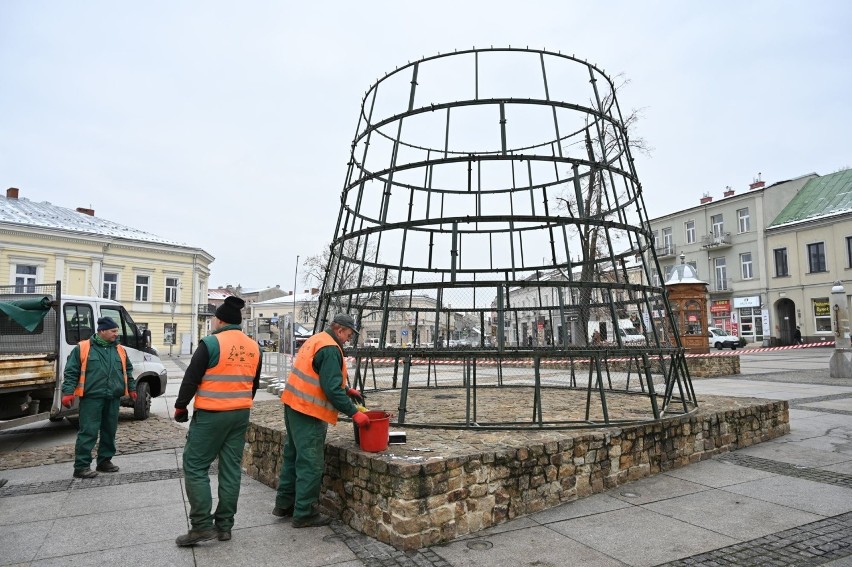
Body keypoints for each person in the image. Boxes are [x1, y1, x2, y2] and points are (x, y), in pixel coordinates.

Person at [172, 296, 262, 546]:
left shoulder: (211, 343)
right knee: (231, 469)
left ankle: (201, 526)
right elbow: (253, 385)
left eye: (214, 318)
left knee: (195, 465)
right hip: (240, 414)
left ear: (221, 320)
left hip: (212, 415)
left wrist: (180, 407)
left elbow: (191, 378)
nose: (212, 321)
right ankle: (224, 527)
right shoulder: (255, 347)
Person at [273, 313, 370, 528]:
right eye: (348, 334)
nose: (348, 338)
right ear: (339, 330)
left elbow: (318, 373)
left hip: (292, 404)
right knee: (311, 462)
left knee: (292, 455)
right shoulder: (330, 348)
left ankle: (284, 504)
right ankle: (305, 512)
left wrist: (347, 389)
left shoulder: (316, 340)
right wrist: (354, 413)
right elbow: (331, 389)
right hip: (309, 411)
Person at [61, 316, 136, 479]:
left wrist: (132, 388)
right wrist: (67, 392)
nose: (116, 334)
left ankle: (104, 461)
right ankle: (81, 466)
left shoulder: (120, 349)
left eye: (116, 331)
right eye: (113, 331)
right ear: (102, 331)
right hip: (91, 398)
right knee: (88, 431)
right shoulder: (83, 348)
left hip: (113, 398)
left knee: (109, 431)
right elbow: (71, 371)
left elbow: (128, 370)